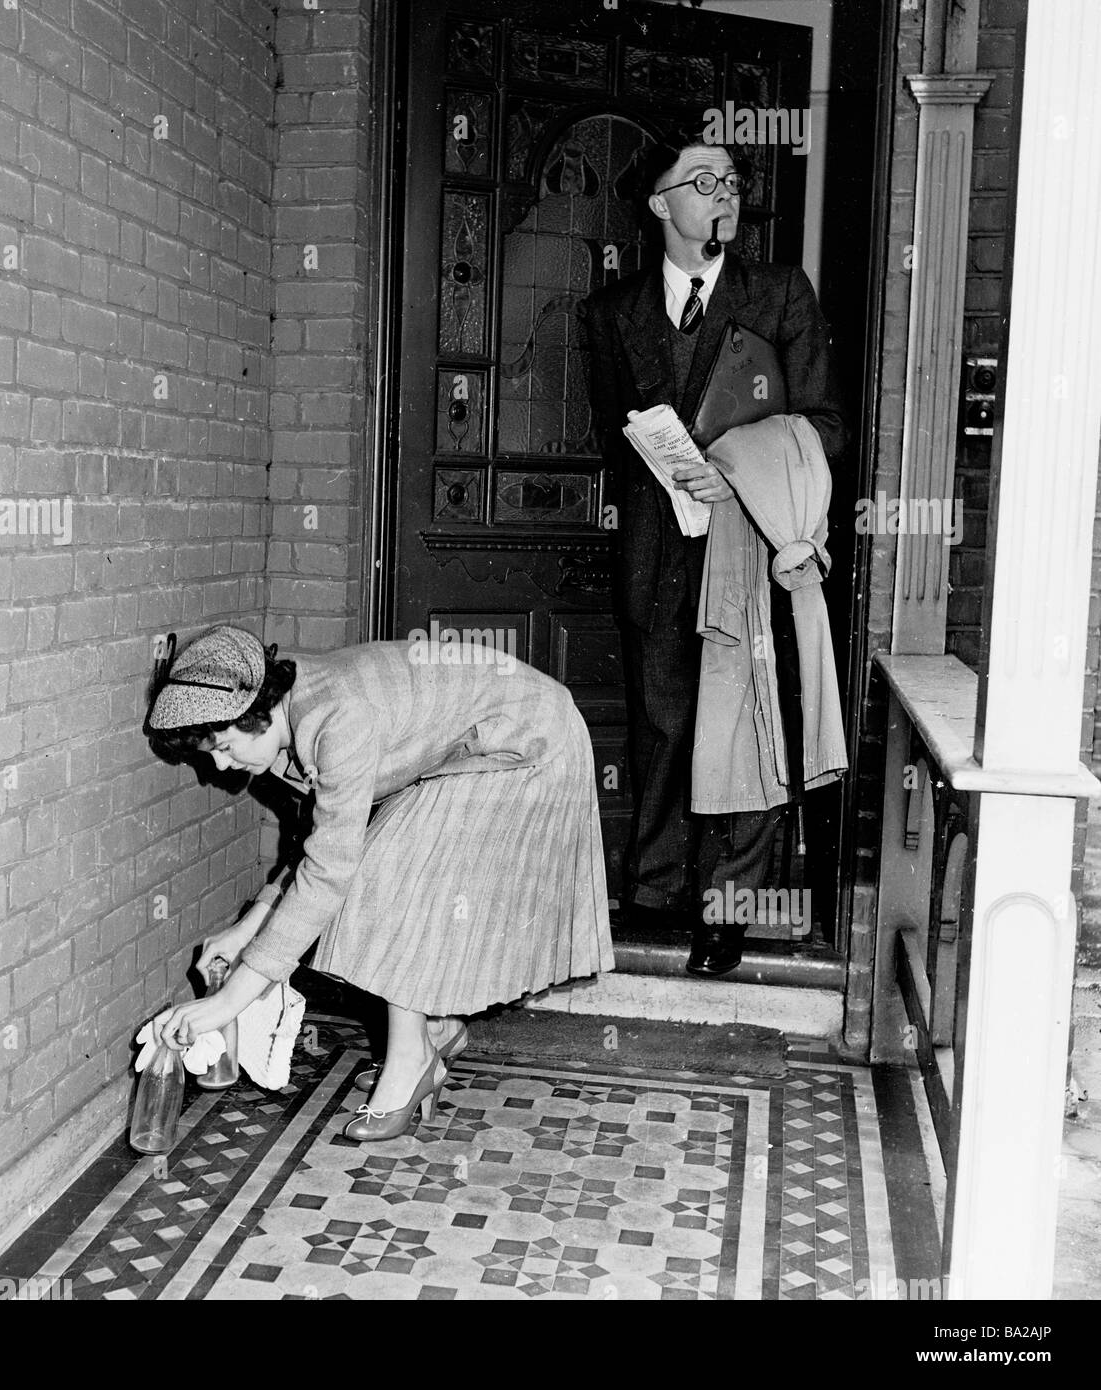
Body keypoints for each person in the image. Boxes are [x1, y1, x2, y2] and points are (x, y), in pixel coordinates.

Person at [143, 626, 614, 1141]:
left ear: (254, 711)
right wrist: (247, 930)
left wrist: (227, 1002)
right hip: (480, 741)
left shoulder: (337, 717)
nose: (220, 766)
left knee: (385, 866)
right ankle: (431, 1032)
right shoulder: (282, 713)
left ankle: (413, 1057)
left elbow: (328, 871)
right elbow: (318, 844)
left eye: (225, 746)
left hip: (531, 739)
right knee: (380, 862)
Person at [581, 127, 846, 977]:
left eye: (730, 181)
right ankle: (654, 893)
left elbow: (826, 426)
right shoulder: (609, 315)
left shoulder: (777, 296)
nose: (723, 195)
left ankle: (728, 907)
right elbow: (611, 435)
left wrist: (736, 474)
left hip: (751, 539)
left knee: (743, 717)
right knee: (663, 715)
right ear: (660, 205)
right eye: (703, 182)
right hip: (657, 546)